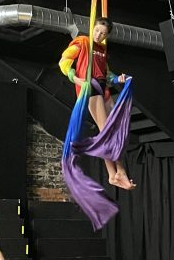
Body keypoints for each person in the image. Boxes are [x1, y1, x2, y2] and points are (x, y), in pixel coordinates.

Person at [58, 16, 135, 189]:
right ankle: (116, 172)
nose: (99, 35)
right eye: (97, 31)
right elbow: (64, 62)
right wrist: (77, 80)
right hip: (89, 88)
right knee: (106, 131)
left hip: (102, 88)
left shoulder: (102, 49)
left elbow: (106, 74)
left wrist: (118, 78)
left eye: (103, 34)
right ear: (93, 27)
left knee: (114, 129)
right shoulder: (83, 42)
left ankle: (116, 173)